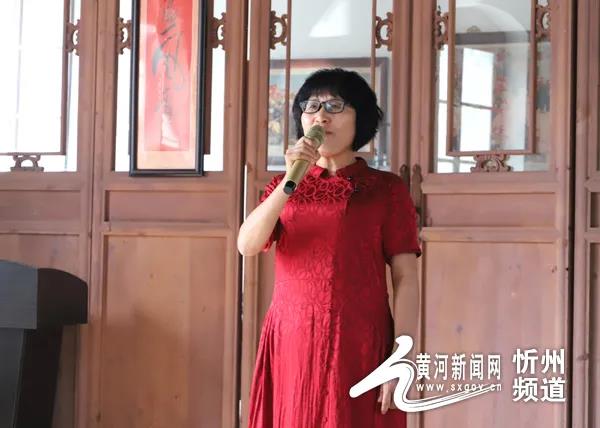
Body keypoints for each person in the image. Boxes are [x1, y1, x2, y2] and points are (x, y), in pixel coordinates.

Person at [238, 68, 421, 428]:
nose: (321, 116)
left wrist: (403, 353)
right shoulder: (283, 185)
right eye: (311, 106)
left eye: (335, 106)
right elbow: (247, 244)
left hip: (359, 340)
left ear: (360, 118)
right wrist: (291, 180)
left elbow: (406, 278)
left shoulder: (386, 189)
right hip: (292, 338)